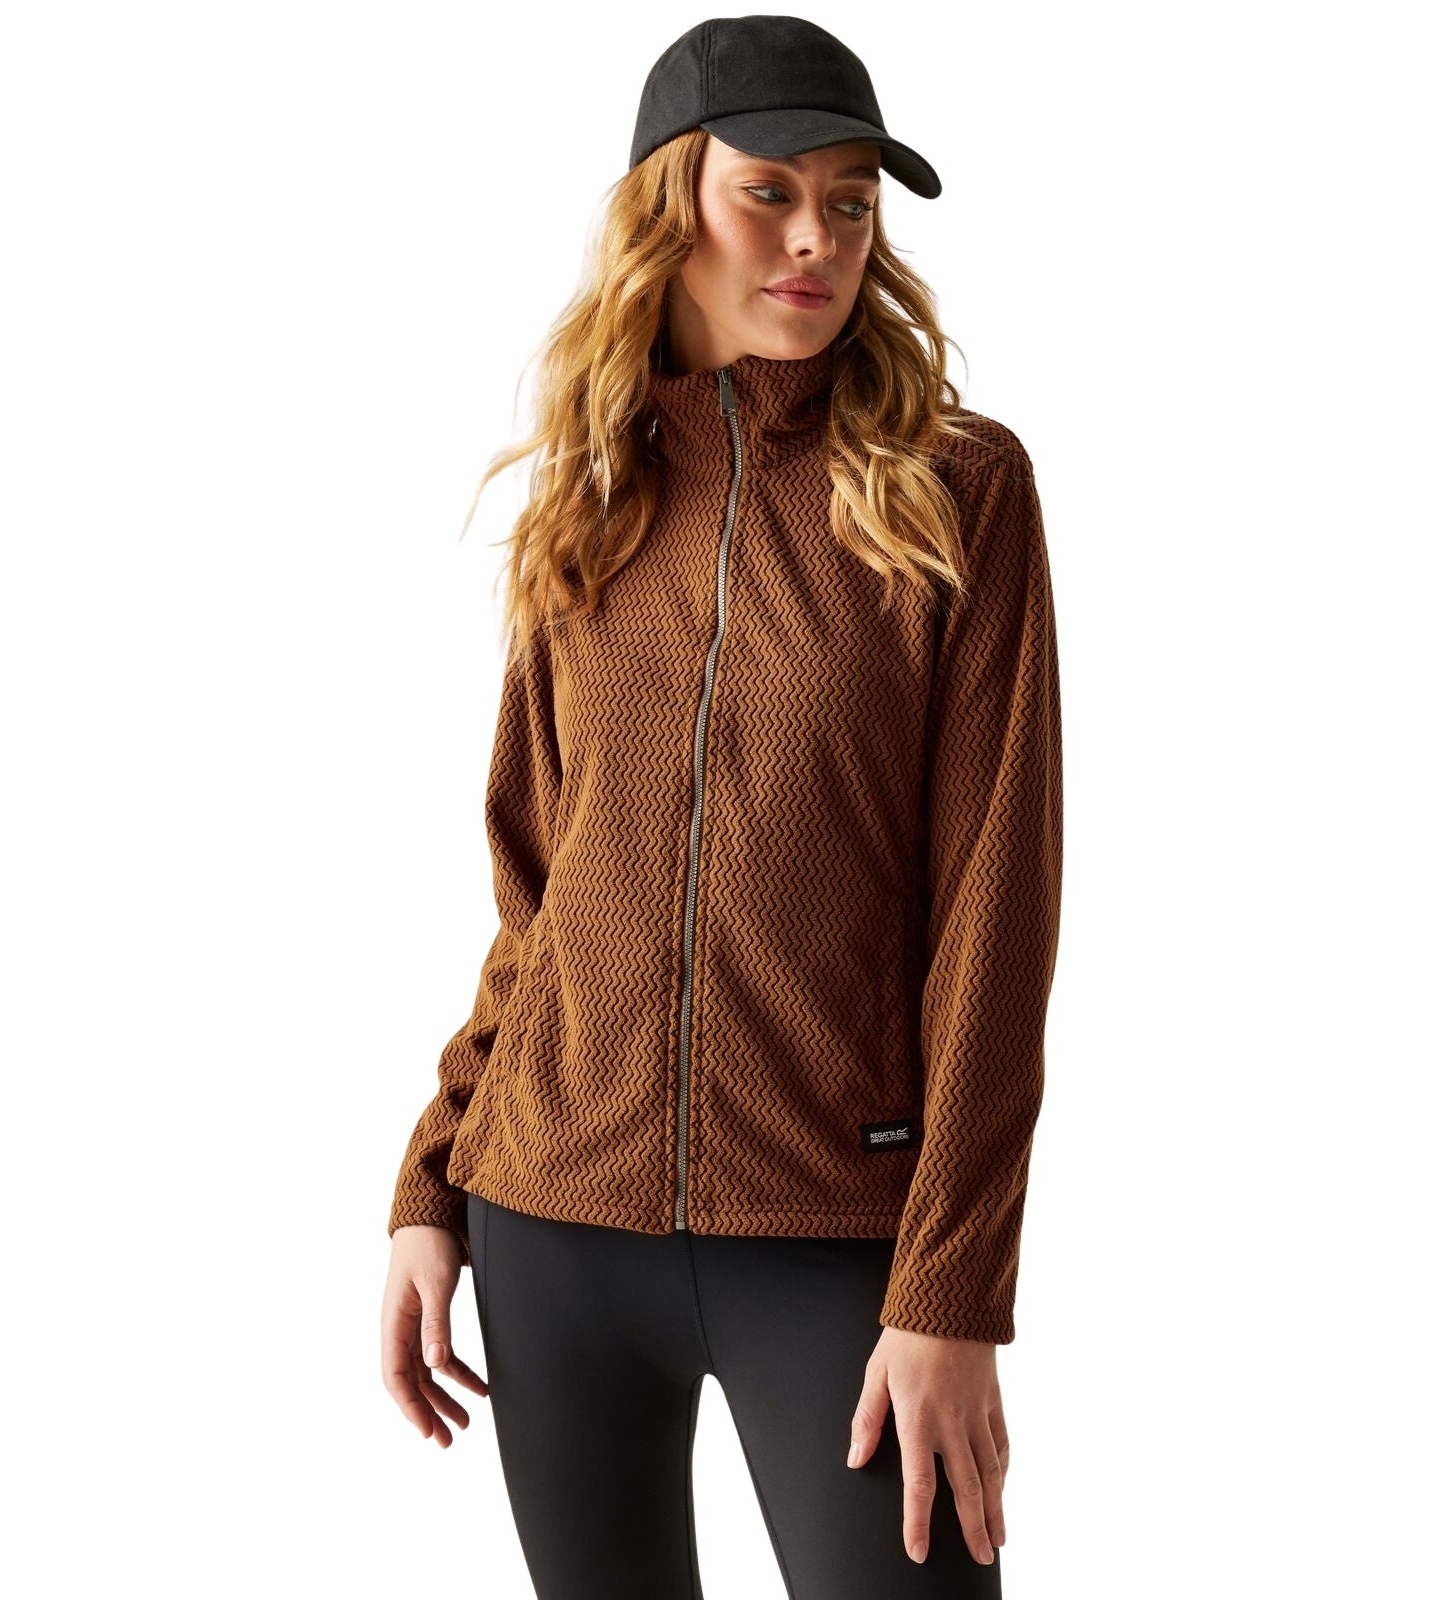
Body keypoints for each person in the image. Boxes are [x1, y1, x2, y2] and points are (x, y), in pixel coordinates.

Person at [379, 17, 1063, 1598]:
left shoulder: (959, 490)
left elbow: (997, 916)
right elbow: (539, 897)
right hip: (548, 1221)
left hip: (837, 1235)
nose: (818, 238)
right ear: (669, 205)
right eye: (771, 193)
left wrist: (954, 1287)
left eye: (851, 201)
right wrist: (432, 1181)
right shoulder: (587, 499)